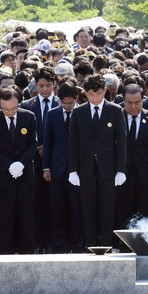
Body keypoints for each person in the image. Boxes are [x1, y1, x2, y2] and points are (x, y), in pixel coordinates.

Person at [67, 74, 127, 247]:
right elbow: (72, 143)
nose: (95, 97)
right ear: (85, 93)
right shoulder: (78, 112)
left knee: (107, 210)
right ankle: (90, 246)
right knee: (88, 210)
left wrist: (121, 170)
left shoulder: (115, 110)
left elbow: (122, 142)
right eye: (91, 94)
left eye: (99, 93)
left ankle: (107, 245)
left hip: (108, 169)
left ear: (105, 91)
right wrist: (73, 170)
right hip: (85, 170)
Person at [0, 87, 38, 254]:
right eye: (5, 109)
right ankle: (6, 251)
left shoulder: (28, 117)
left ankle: (27, 251)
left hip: (25, 175)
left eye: (13, 108)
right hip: (3, 177)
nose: (10, 112)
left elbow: (33, 144)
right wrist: (8, 165)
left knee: (27, 215)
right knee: (5, 216)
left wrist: (21, 164)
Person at [19, 66, 59, 252]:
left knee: (54, 204)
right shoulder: (26, 106)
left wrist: (49, 149)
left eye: (48, 85)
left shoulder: (62, 103)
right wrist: (36, 147)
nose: (44, 89)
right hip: (33, 162)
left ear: (54, 85)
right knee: (35, 204)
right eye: (41, 85)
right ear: (35, 85)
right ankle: (36, 243)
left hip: (57, 163)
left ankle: (53, 242)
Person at [43, 81, 84, 253]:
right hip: (57, 168)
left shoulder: (82, 113)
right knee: (58, 208)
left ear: (76, 99)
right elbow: (47, 141)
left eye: (71, 103)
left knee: (77, 208)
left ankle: (77, 243)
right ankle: (59, 244)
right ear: (59, 100)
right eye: (64, 103)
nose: (67, 106)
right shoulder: (52, 114)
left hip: (79, 168)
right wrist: (46, 167)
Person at [116, 84, 148, 231]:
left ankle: (144, 244)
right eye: (129, 103)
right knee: (123, 211)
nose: (133, 106)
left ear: (143, 100)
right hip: (123, 174)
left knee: (145, 213)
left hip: (146, 175)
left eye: (137, 102)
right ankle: (123, 246)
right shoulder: (117, 116)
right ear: (123, 101)